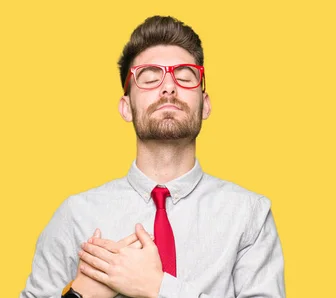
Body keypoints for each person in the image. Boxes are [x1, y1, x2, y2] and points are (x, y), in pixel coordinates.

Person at [19, 15, 285, 298]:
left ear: (205, 105)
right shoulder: (76, 216)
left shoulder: (249, 216)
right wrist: (80, 296)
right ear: (126, 108)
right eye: (149, 78)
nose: (168, 87)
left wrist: (158, 288)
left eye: (184, 77)